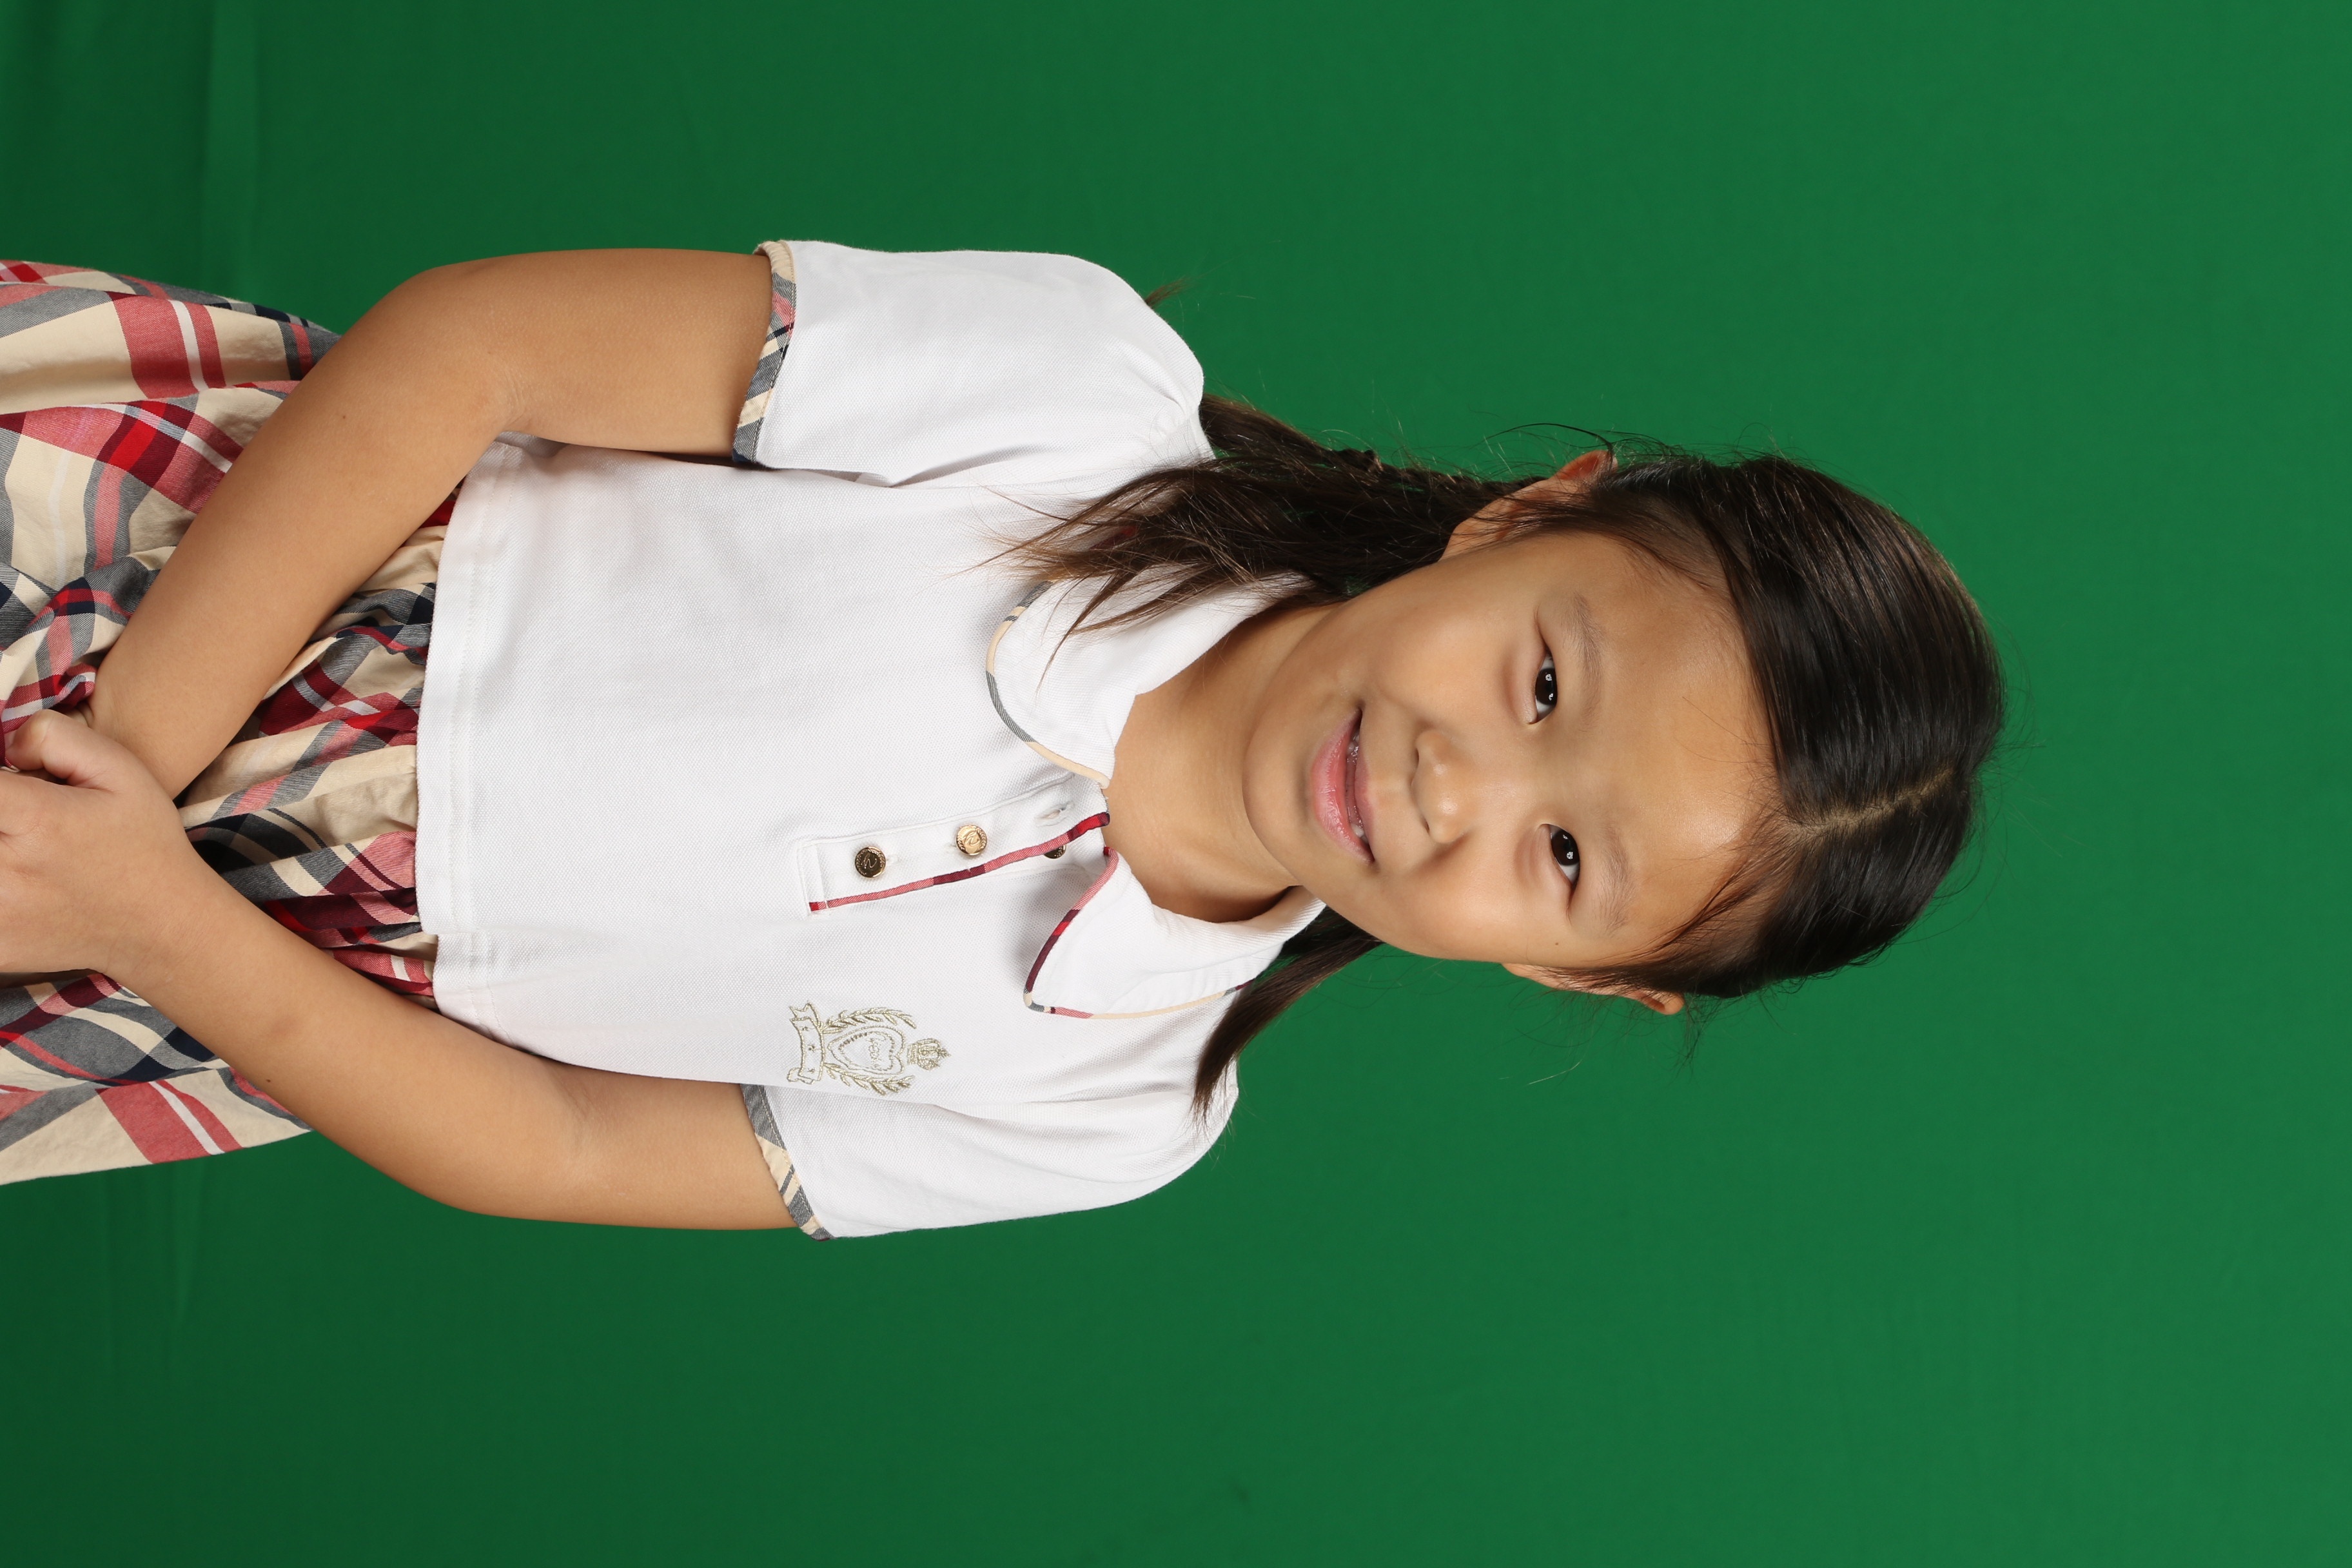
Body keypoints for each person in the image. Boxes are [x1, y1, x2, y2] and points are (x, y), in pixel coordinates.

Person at [0, 242, 2003, 1237]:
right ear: (1527, 519)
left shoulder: (1106, 1107)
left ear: (1583, 973)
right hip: (187, 570)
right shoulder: (1078, 393)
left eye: (1567, 863)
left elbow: (562, 1140)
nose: (1458, 786)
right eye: (1545, 682)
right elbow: (480, 348)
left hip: (203, 961)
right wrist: (122, 768)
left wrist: (146, 917)